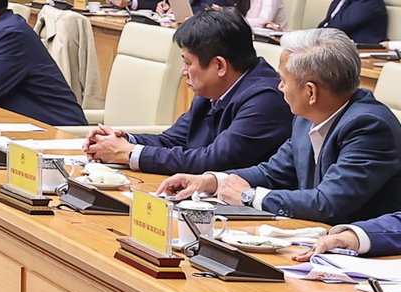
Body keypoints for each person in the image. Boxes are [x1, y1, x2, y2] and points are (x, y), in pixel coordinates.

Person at [157, 28, 401, 225]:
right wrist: (211, 181)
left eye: (283, 80)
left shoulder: (369, 126)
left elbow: (328, 203)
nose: (279, 87)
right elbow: (272, 172)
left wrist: (249, 196)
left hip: (366, 253)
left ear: (311, 92)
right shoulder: (305, 117)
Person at [82, 10, 293, 175]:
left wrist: (127, 153)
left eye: (188, 63)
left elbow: (214, 161)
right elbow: (173, 140)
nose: (184, 71)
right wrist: (122, 140)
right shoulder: (211, 91)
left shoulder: (266, 99)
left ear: (219, 66)